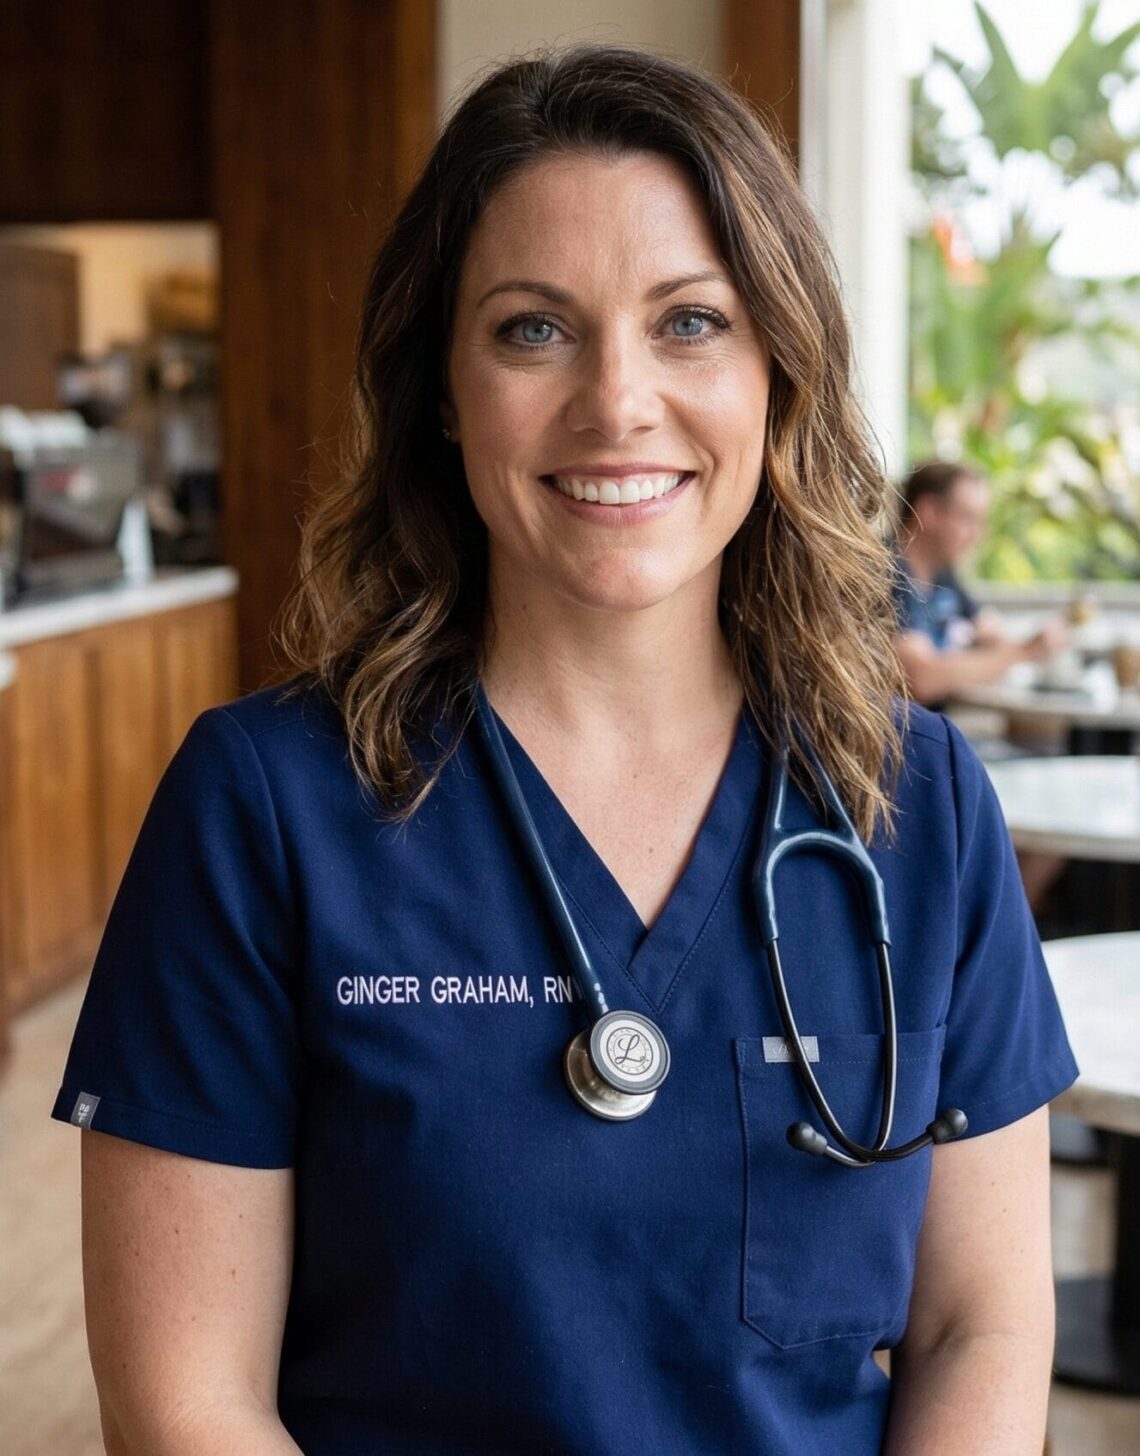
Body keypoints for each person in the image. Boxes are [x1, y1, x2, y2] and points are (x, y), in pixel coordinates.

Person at [54, 47, 1077, 1455]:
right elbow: (185, 1407)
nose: (616, 401)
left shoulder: (919, 805)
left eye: (690, 324)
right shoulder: (264, 811)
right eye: (534, 329)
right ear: (441, 389)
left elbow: (984, 1327)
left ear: (778, 372)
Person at [892, 460, 1068, 706]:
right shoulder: (885, 571)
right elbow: (921, 678)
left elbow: (991, 633)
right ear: (929, 512)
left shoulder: (943, 574)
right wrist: (1024, 652)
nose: (977, 533)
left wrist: (997, 650)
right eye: (967, 518)